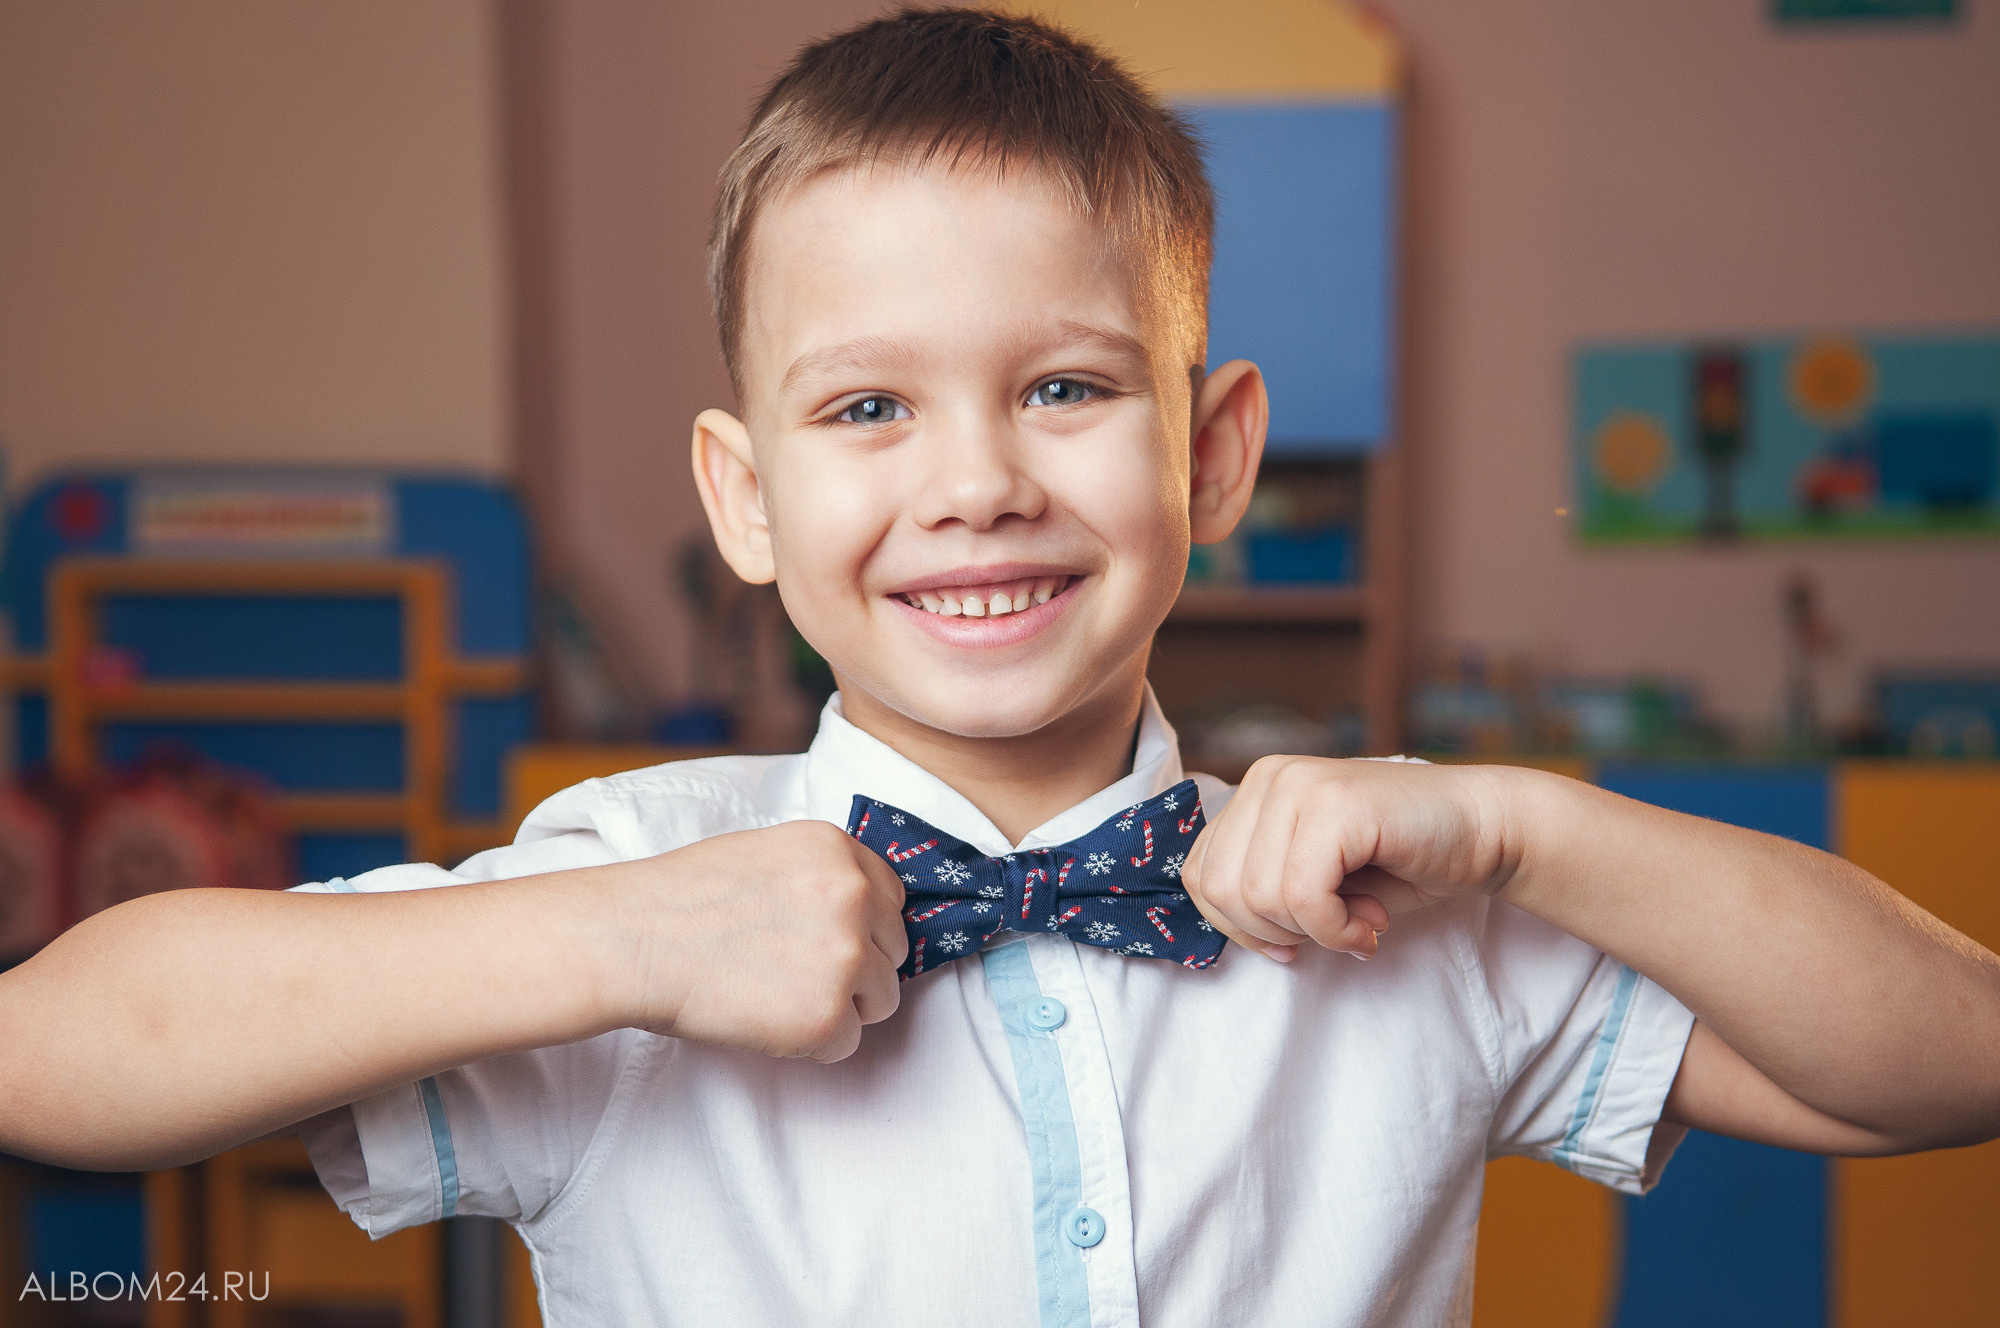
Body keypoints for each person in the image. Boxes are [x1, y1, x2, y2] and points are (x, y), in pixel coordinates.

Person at [2, 9, 1996, 1325]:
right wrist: (611, 945)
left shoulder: (1413, 903)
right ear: (746, 493)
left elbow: (1953, 1062)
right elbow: (54, 1060)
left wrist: (1530, 824)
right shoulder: (627, 885)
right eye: (866, 407)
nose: (972, 483)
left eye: (1061, 386)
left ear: (1210, 455)